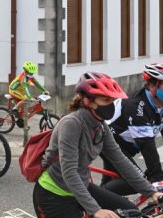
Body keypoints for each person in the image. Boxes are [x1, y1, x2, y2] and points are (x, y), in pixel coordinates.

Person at [33, 72, 163, 218]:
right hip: (54, 193)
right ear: (88, 101)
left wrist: (151, 192)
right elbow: (69, 172)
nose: (111, 105)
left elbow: (120, 160)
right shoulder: (71, 124)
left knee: (131, 210)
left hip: (81, 186)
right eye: (106, 100)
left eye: (112, 100)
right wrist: (95, 210)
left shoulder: (100, 125)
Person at [100, 63, 163, 196]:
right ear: (152, 86)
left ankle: (100, 207)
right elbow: (147, 146)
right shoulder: (137, 107)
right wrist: (157, 177)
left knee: (113, 181)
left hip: (125, 146)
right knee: (138, 182)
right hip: (107, 143)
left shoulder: (160, 104)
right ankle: (92, 197)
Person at [8, 61, 49, 127]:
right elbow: (25, 88)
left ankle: (20, 120)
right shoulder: (23, 78)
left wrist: (44, 90)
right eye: (29, 72)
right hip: (13, 90)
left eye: (32, 73)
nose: (31, 74)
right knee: (26, 99)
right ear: (25, 71)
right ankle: (14, 109)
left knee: (26, 104)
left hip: (20, 91)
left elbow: (37, 83)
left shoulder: (30, 77)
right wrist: (29, 97)